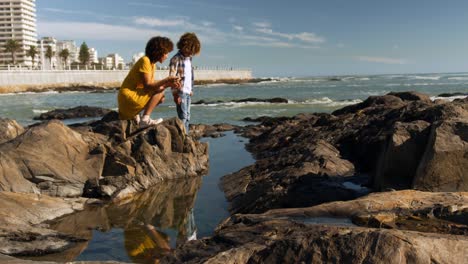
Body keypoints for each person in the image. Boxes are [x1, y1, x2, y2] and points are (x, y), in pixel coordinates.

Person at [118, 36, 180, 126]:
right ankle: (145, 119)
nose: (167, 56)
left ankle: (137, 115)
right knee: (160, 92)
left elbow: (151, 88)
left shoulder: (152, 64)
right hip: (128, 97)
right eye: (166, 53)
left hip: (128, 98)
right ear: (159, 52)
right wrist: (167, 79)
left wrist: (168, 84)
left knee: (160, 97)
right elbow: (148, 86)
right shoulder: (145, 61)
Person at [169, 32, 201, 134]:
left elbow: (190, 75)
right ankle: (183, 136)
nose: (191, 53)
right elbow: (172, 77)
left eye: (193, 52)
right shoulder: (176, 59)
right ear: (184, 46)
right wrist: (175, 94)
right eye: (190, 50)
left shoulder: (189, 59)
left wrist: (191, 89)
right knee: (183, 116)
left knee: (188, 116)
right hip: (180, 92)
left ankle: (185, 135)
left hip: (187, 91)